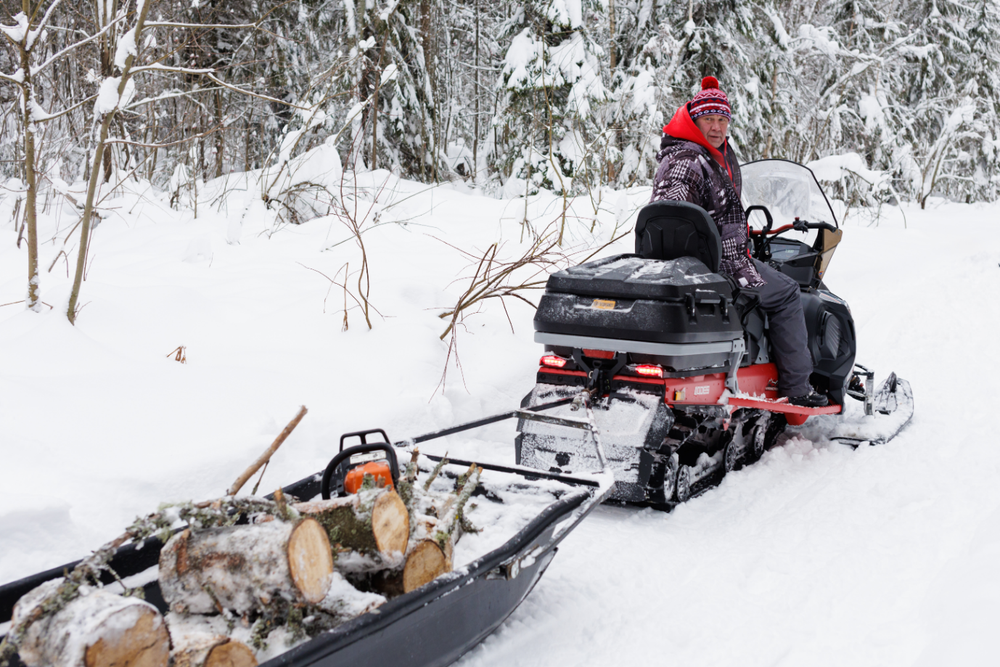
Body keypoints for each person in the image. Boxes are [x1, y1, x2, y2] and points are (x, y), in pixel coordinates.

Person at [650, 76, 828, 408]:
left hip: (713, 256)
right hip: (715, 264)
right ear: (694, 120)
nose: (716, 127)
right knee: (787, 293)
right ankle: (797, 387)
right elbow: (676, 217)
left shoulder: (706, 154)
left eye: (722, 119)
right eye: (709, 119)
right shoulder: (688, 162)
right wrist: (719, 255)